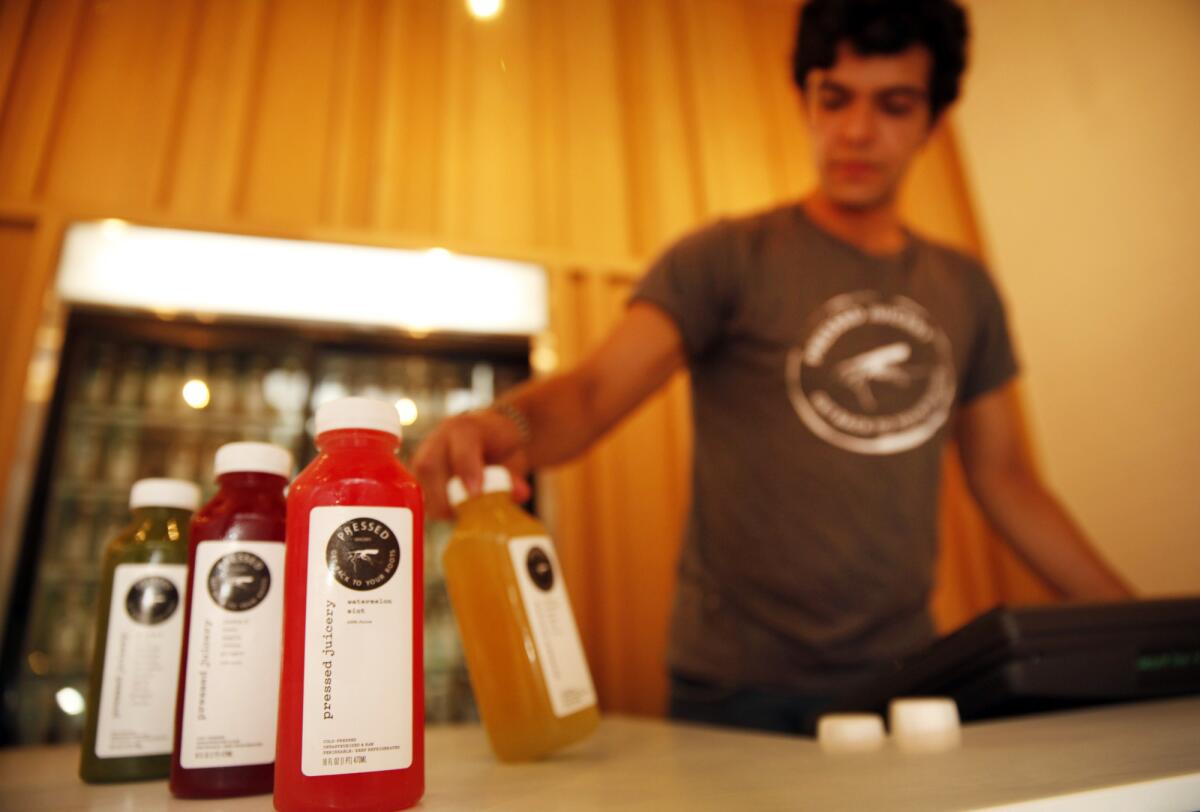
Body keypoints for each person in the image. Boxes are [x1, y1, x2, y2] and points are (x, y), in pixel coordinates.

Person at [413, 0, 1132, 735]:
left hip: (909, 680)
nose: (856, 130)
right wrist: (502, 421)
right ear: (806, 102)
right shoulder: (725, 258)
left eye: (893, 104)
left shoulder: (964, 288)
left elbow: (1007, 479)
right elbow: (595, 391)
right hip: (734, 690)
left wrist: (1144, 632)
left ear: (933, 121)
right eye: (835, 97)